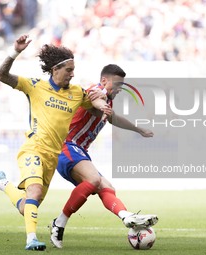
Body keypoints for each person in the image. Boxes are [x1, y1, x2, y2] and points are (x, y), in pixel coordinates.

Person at [0, 34, 111, 251]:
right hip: (33, 149)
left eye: (73, 69)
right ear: (55, 69)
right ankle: (31, 240)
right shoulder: (35, 86)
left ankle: (1, 182)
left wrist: (101, 99)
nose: (73, 73)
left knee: (27, 206)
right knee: (35, 193)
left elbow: (93, 101)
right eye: (69, 69)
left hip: (52, 156)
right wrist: (15, 52)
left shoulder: (77, 92)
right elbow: (1, 75)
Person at [50, 64, 158, 249]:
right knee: (93, 179)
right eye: (116, 85)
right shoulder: (96, 90)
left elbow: (114, 118)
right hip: (66, 145)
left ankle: (126, 216)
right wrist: (102, 104)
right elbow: (94, 99)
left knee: (107, 187)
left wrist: (138, 129)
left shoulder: (109, 100)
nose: (118, 89)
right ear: (104, 81)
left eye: (121, 86)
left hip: (79, 151)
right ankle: (59, 223)